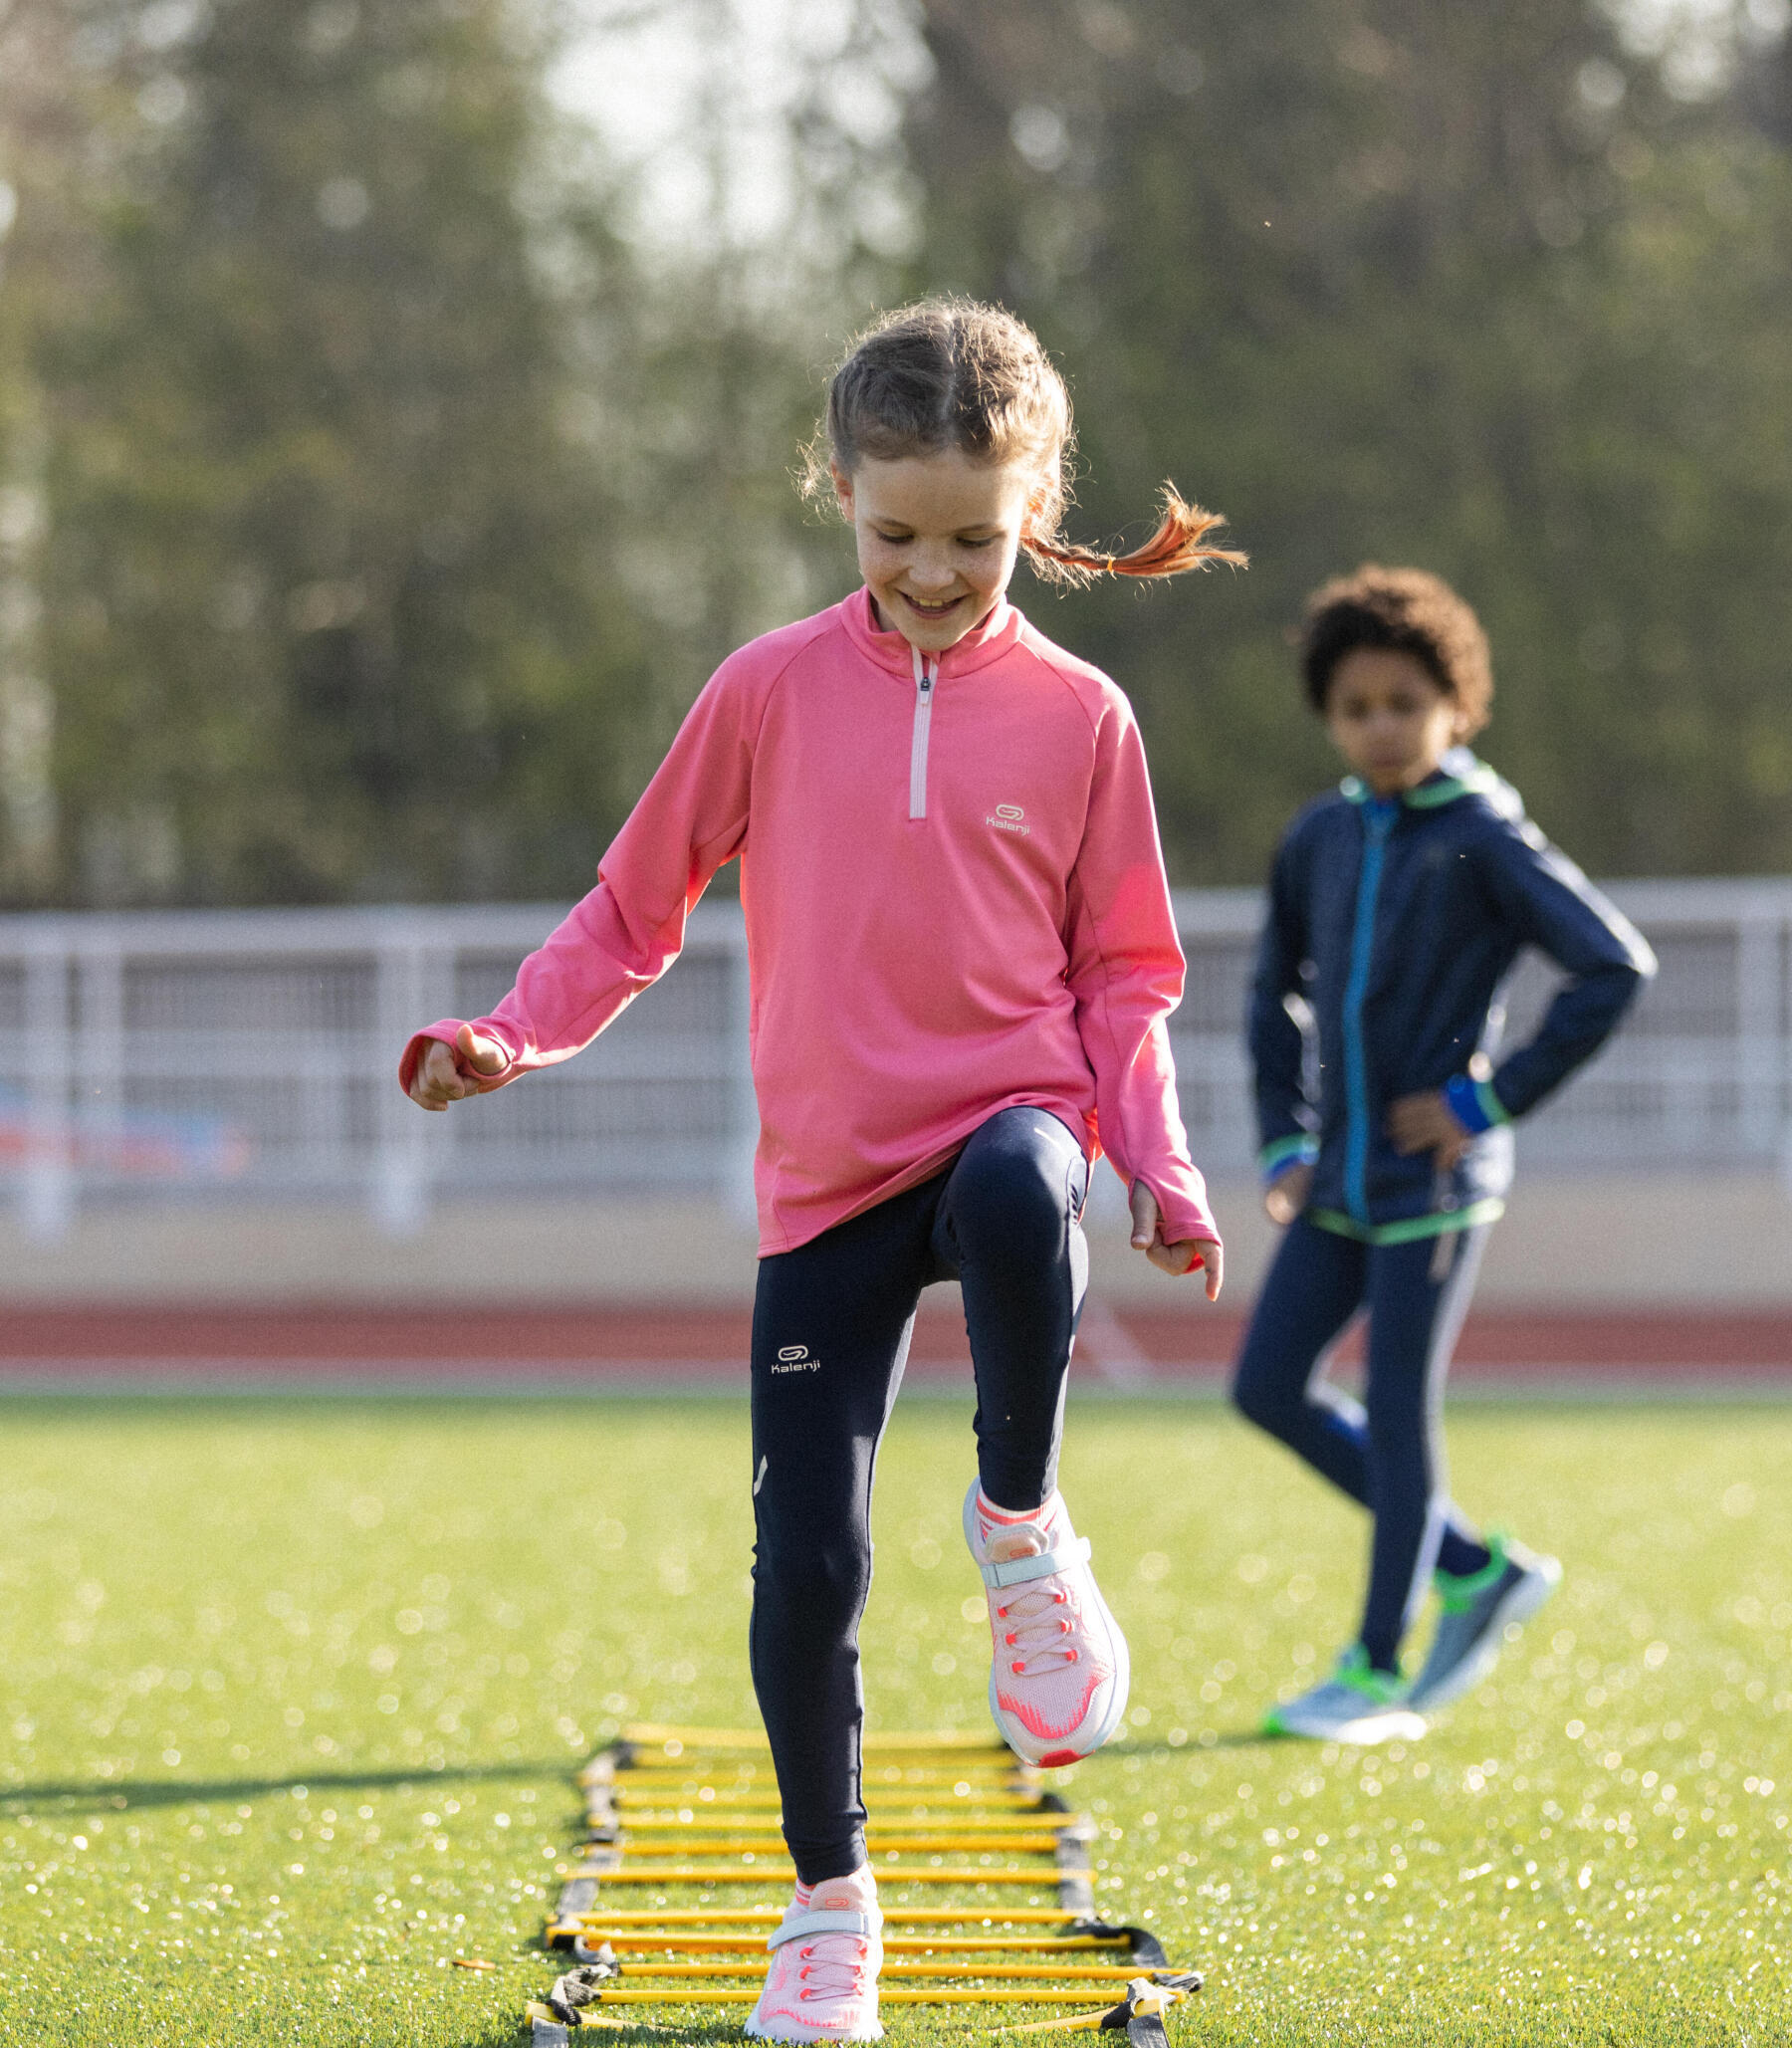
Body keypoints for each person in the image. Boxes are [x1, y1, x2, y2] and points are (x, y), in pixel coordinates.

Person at [399, 299, 1234, 2043]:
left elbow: (1125, 975)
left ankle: (1021, 1525)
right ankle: (829, 1911)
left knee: (1025, 1188)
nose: (935, 572)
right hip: (828, 1183)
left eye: (977, 540)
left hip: (1007, 1112)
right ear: (838, 493)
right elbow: (635, 908)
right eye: (897, 534)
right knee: (810, 1572)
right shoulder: (765, 693)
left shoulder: (1086, 718)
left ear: (1039, 503)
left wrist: (1152, 1161)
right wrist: (509, 1037)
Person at [1233, 566, 1655, 1746]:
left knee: (1396, 1411)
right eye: (1357, 703)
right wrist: (1284, 1136)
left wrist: (1487, 1100)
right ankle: (1477, 1565)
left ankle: (1373, 1669)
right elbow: (1274, 997)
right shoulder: (1317, 835)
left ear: (1455, 707)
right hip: (1336, 1180)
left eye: (1405, 701)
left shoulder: (1485, 838)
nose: (1381, 724)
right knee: (1265, 1387)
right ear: (1329, 712)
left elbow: (1613, 967)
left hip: (1431, 1188)